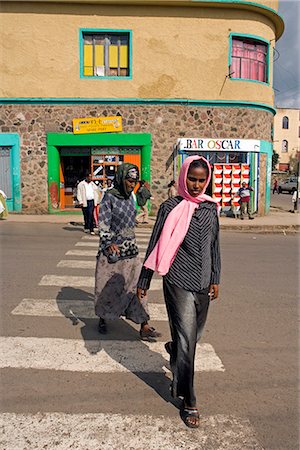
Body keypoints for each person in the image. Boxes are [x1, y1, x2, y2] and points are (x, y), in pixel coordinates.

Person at [137, 155, 221, 428]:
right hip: (177, 280)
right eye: (192, 179)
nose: (196, 185)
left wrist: (216, 277)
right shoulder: (170, 206)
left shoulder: (211, 208)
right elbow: (156, 240)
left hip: (203, 282)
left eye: (201, 180)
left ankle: (175, 351)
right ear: (183, 177)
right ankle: (188, 399)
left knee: (192, 339)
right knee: (188, 344)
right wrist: (145, 278)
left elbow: (214, 245)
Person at [95, 163, 161, 340]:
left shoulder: (131, 195)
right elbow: (103, 223)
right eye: (130, 181)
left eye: (134, 181)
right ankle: (103, 318)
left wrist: (143, 189)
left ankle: (144, 325)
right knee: (108, 289)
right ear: (121, 178)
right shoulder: (109, 197)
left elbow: (143, 200)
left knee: (137, 288)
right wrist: (109, 242)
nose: (132, 184)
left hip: (131, 250)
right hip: (112, 254)